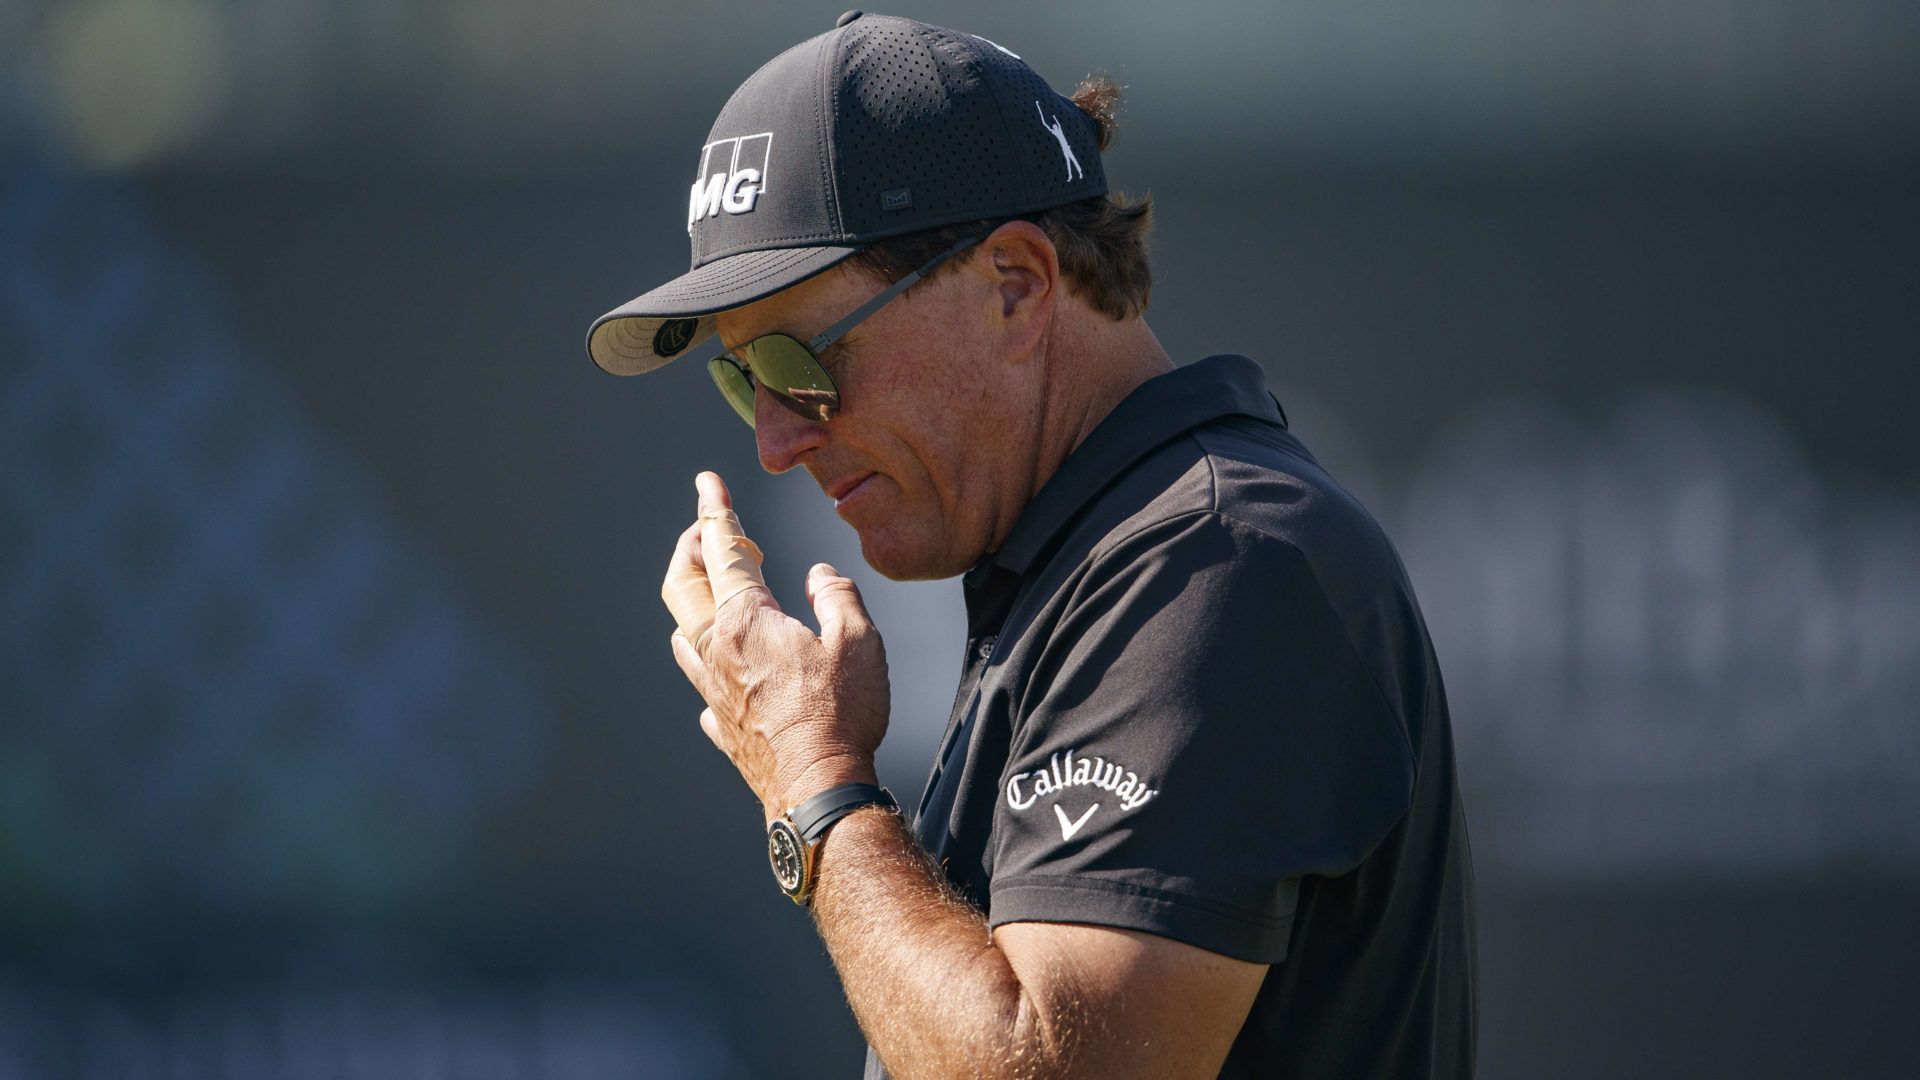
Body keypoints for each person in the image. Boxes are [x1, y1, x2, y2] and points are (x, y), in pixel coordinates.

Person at [585, 13, 1477, 1079]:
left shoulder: (1210, 565)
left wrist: (812, 781)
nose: (779, 439)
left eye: (795, 359)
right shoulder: (1101, 562)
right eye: (745, 381)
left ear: (1014, 283)